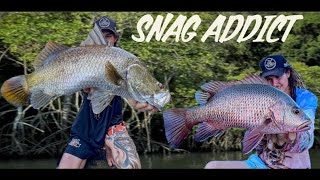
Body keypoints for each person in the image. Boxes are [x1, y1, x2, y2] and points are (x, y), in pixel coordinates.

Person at [57, 16, 158, 169]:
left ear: (115, 38)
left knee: (131, 165)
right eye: (101, 36)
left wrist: (149, 102)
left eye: (108, 36)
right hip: (85, 131)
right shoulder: (83, 60)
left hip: (113, 129)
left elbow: (135, 100)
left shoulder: (123, 64)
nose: (105, 40)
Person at [204, 54, 318, 169]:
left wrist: (293, 139)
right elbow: (253, 142)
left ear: (287, 73)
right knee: (212, 166)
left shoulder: (305, 98)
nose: (274, 84)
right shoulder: (259, 95)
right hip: (260, 163)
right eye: (269, 79)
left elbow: (307, 137)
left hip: (294, 166)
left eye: (278, 77)